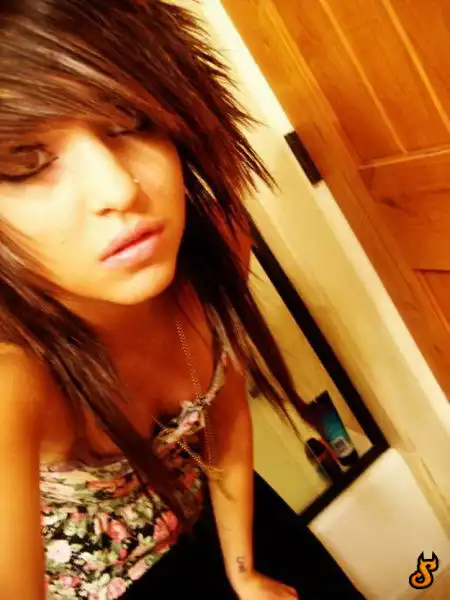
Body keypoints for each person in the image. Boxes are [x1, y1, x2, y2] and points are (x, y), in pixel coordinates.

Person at [0, 1, 365, 599]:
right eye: (24, 160)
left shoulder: (215, 240)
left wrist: (243, 571)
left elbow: (226, 410)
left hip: (222, 516)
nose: (119, 189)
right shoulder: (13, 373)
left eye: (127, 119)